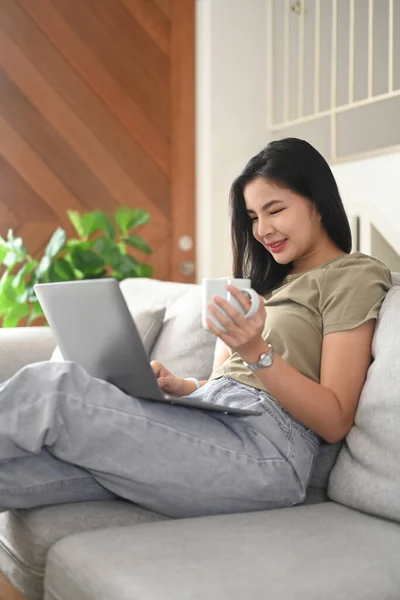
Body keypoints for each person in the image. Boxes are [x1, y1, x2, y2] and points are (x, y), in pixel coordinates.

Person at [0, 138, 391, 519]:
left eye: (275, 210)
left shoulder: (352, 275)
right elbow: (223, 383)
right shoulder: (259, 287)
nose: (262, 230)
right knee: (20, 471)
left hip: (268, 453)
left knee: (54, 387)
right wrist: (183, 387)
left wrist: (256, 350)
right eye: (253, 217)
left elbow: (336, 419)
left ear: (318, 204)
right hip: (213, 422)